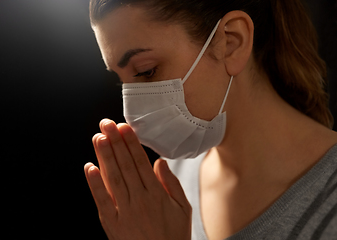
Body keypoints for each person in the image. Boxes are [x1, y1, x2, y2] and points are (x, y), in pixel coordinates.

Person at [84, 0, 337, 239]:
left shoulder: (329, 201)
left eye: (146, 71)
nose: (131, 117)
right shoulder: (172, 179)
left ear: (231, 42)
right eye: (122, 81)